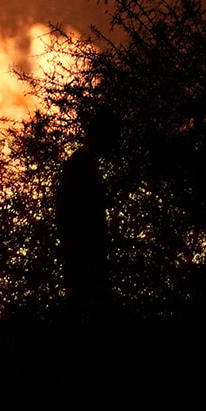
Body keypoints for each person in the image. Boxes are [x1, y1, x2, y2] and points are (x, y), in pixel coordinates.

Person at [56, 112, 117, 326]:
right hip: (84, 249)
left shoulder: (81, 161)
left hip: (82, 248)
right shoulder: (83, 164)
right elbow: (77, 209)